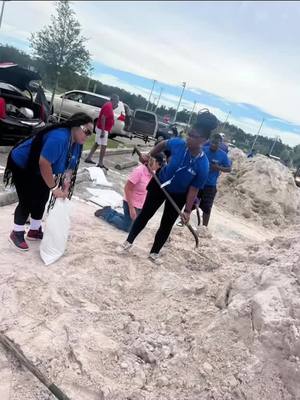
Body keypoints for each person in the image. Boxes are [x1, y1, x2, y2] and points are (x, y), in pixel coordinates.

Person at [118, 110, 219, 264]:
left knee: (166, 224)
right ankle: (128, 242)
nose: (189, 138)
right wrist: (149, 154)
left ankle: (154, 253)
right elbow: (163, 144)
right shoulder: (179, 143)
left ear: (203, 140)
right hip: (160, 184)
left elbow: (194, 189)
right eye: (189, 134)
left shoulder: (203, 165)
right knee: (145, 214)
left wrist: (186, 210)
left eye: (193, 136)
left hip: (178, 194)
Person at [3, 113, 93, 251]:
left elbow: (70, 167)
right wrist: (54, 187)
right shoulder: (59, 138)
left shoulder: (77, 143)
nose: (87, 136)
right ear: (75, 127)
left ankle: (34, 230)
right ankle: (17, 232)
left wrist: (65, 187)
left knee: (42, 197)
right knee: (27, 199)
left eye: (90, 134)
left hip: (39, 168)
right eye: (86, 131)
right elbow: (44, 163)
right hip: (23, 163)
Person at [94, 154, 164, 232]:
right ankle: (107, 213)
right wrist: (131, 208)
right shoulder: (139, 171)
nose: (160, 167)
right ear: (154, 162)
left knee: (136, 224)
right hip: (130, 203)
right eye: (159, 164)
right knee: (128, 227)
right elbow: (127, 188)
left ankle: (117, 214)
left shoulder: (152, 172)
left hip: (140, 204)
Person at [196, 133, 232, 227]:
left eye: (216, 143)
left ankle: (204, 227)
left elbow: (229, 169)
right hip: (198, 182)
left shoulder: (223, 155)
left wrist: (218, 167)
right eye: (212, 142)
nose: (214, 145)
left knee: (207, 207)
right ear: (210, 141)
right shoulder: (204, 150)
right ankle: (183, 222)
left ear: (220, 143)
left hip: (210, 185)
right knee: (191, 203)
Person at [85, 94, 119, 170]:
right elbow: (103, 118)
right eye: (117, 102)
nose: (117, 104)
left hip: (103, 129)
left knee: (97, 143)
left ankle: (89, 158)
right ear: (114, 100)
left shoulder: (110, 106)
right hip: (102, 129)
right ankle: (100, 163)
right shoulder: (108, 106)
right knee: (103, 146)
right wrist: (103, 131)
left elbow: (108, 117)